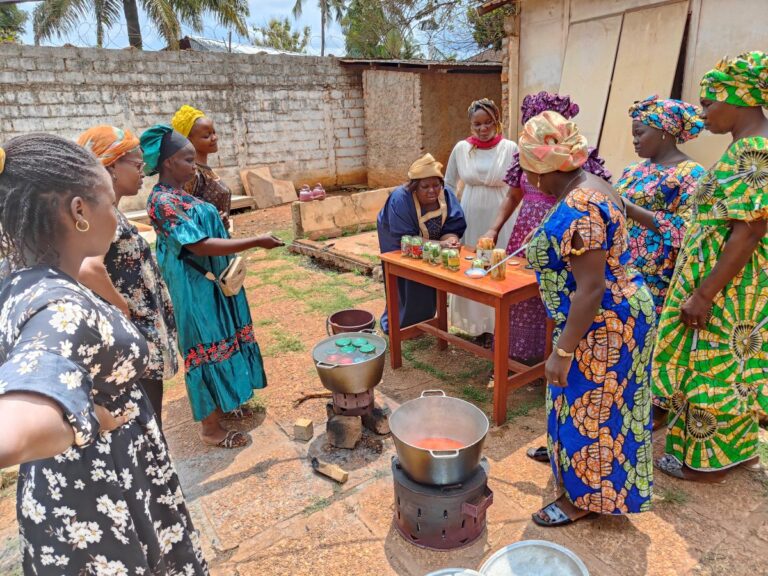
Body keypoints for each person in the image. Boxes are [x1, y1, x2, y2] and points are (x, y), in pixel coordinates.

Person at [0, 133, 208, 574]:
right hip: (101, 499)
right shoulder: (60, 307)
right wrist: (89, 419)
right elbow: (13, 432)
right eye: (110, 205)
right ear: (79, 211)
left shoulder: (19, 276)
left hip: (75, 488)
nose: (116, 216)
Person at [520, 112, 655, 526]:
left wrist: (563, 350)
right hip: (602, 317)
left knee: (595, 410)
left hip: (604, 324)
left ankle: (585, 498)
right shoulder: (592, 183)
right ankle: (565, 455)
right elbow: (626, 213)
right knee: (574, 396)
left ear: (540, 172)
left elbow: (591, 289)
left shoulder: (579, 207)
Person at [653, 51, 768, 483]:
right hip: (726, 283)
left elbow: (748, 232)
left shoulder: (754, 150)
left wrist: (704, 293)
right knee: (723, 368)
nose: (702, 114)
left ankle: (708, 464)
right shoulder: (747, 146)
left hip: (727, 288)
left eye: (708, 103)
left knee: (713, 366)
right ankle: (735, 454)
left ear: (740, 98)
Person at [141, 125, 283, 449]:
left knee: (225, 337)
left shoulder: (180, 195)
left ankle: (227, 400)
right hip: (193, 288)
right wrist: (256, 241)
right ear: (167, 164)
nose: (193, 166)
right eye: (187, 160)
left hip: (212, 283)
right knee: (205, 344)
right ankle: (210, 428)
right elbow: (199, 245)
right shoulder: (161, 201)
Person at [485, 92, 612, 365]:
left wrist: (563, 354)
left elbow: (591, 287)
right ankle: (516, 355)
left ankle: (552, 354)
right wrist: (494, 229)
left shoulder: (577, 199)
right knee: (518, 293)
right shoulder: (530, 158)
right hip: (529, 231)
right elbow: (512, 196)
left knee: (558, 289)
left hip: (559, 236)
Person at [76, 125, 179, 428]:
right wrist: (124, 308)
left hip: (136, 337)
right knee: (145, 420)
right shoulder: (100, 210)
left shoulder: (107, 209)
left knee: (146, 416)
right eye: (136, 164)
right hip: (133, 341)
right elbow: (88, 268)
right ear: (110, 167)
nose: (143, 172)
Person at [445, 98, 518, 347]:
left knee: (499, 269)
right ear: (470, 124)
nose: (482, 129)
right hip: (470, 216)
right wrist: (451, 215)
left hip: (502, 218)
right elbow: (448, 184)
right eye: (477, 124)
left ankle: (501, 326)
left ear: (497, 122)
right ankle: (478, 327)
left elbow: (519, 187)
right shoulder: (461, 149)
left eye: (488, 123)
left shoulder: (510, 148)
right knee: (474, 268)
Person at [377, 153, 467, 333]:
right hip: (396, 234)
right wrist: (439, 245)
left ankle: (425, 320)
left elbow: (451, 225)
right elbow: (407, 239)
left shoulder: (446, 195)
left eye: (436, 185)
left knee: (430, 272)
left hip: (431, 239)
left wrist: (450, 240)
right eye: (425, 187)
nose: (432, 191)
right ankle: (401, 323)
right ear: (414, 188)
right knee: (405, 276)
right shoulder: (400, 199)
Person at [171, 105, 232, 230]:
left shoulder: (204, 170)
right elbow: (181, 215)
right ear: (188, 140)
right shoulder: (192, 173)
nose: (214, 138)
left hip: (218, 239)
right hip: (204, 244)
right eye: (206, 136)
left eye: (214, 132)